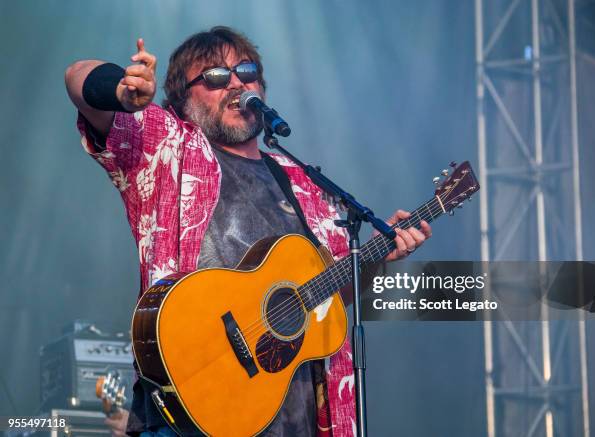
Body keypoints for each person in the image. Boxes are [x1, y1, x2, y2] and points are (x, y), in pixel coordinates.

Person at [65, 26, 431, 437]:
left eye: (247, 71)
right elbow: (77, 75)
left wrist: (378, 257)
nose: (237, 83)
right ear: (183, 99)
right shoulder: (164, 147)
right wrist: (118, 88)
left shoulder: (304, 185)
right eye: (216, 77)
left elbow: (325, 304)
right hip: (196, 410)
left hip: (301, 414)